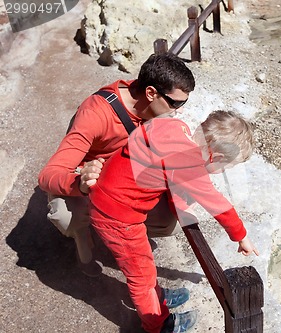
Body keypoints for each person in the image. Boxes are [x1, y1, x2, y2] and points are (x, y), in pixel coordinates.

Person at [88, 110, 259, 333]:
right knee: (142, 276)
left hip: (107, 194)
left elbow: (167, 173)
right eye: (224, 168)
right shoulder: (190, 164)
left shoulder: (175, 128)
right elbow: (218, 204)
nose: (220, 172)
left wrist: (180, 206)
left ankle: (157, 298)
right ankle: (157, 323)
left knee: (145, 267)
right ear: (215, 158)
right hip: (117, 216)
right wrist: (241, 236)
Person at [37, 52, 195, 277]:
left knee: (174, 217)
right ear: (151, 93)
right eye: (176, 103)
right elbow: (47, 176)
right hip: (88, 179)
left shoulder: (150, 103)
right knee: (65, 214)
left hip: (120, 177)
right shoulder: (96, 114)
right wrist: (80, 183)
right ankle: (85, 240)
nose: (180, 110)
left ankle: (122, 234)